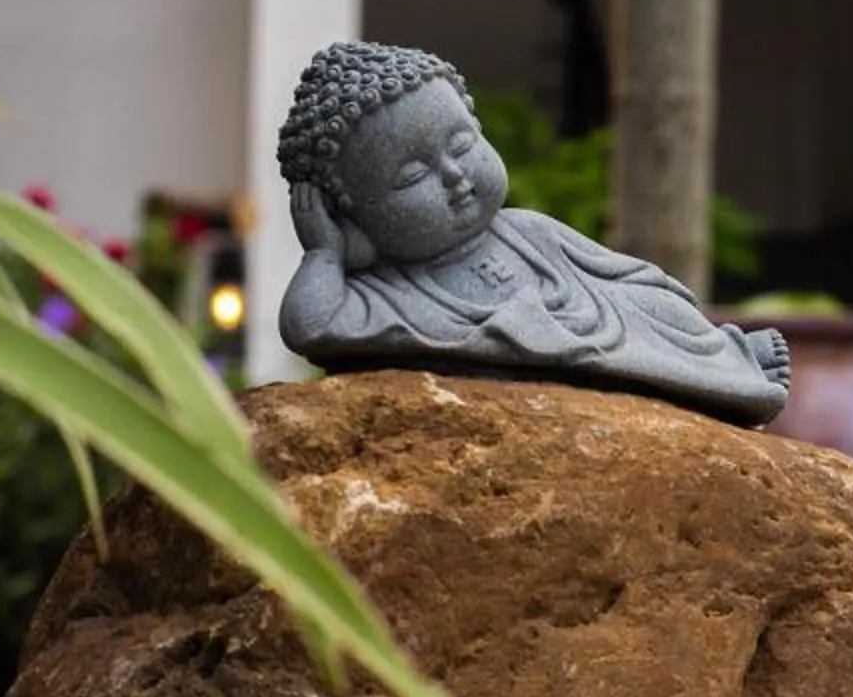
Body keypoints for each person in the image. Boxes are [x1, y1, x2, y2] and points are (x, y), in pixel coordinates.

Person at [275, 41, 791, 427]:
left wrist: (665, 314)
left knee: (649, 304)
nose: (454, 176)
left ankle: (727, 356)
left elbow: (625, 278)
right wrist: (325, 252)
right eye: (412, 176)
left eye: (462, 145)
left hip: (594, 326)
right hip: (525, 363)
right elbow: (309, 327)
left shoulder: (527, 230)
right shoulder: (383, 295)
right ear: (351, 215)